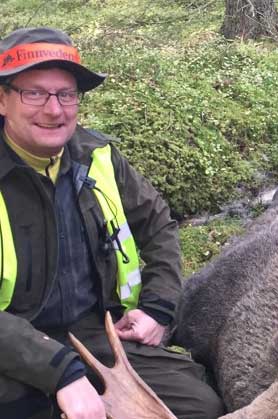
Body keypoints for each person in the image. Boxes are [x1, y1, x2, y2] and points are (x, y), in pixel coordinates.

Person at [0, 27, 224, 418]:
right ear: (2, 100)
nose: (54, 110)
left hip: (96, 332)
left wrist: (158, 307)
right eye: (33, 93)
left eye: (66, 95)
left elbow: (158, 225)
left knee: (200, 406)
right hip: (13, 344)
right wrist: (62, 374)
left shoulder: (97, 156)